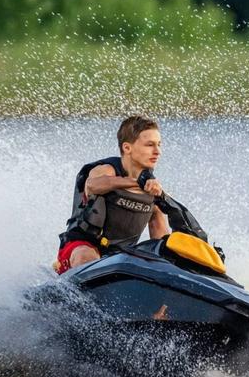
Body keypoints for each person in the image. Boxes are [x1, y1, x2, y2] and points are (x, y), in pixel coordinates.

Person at [54, 115, 171, 274]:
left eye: (159, 145)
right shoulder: (106, 170)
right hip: (80, 248)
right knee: (87, 257)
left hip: (119, 258)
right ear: (127, 148)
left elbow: (160, 243)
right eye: (150, 145)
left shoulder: (153, 191)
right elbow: (92, 185)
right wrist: (137, 182)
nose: (157, 151)